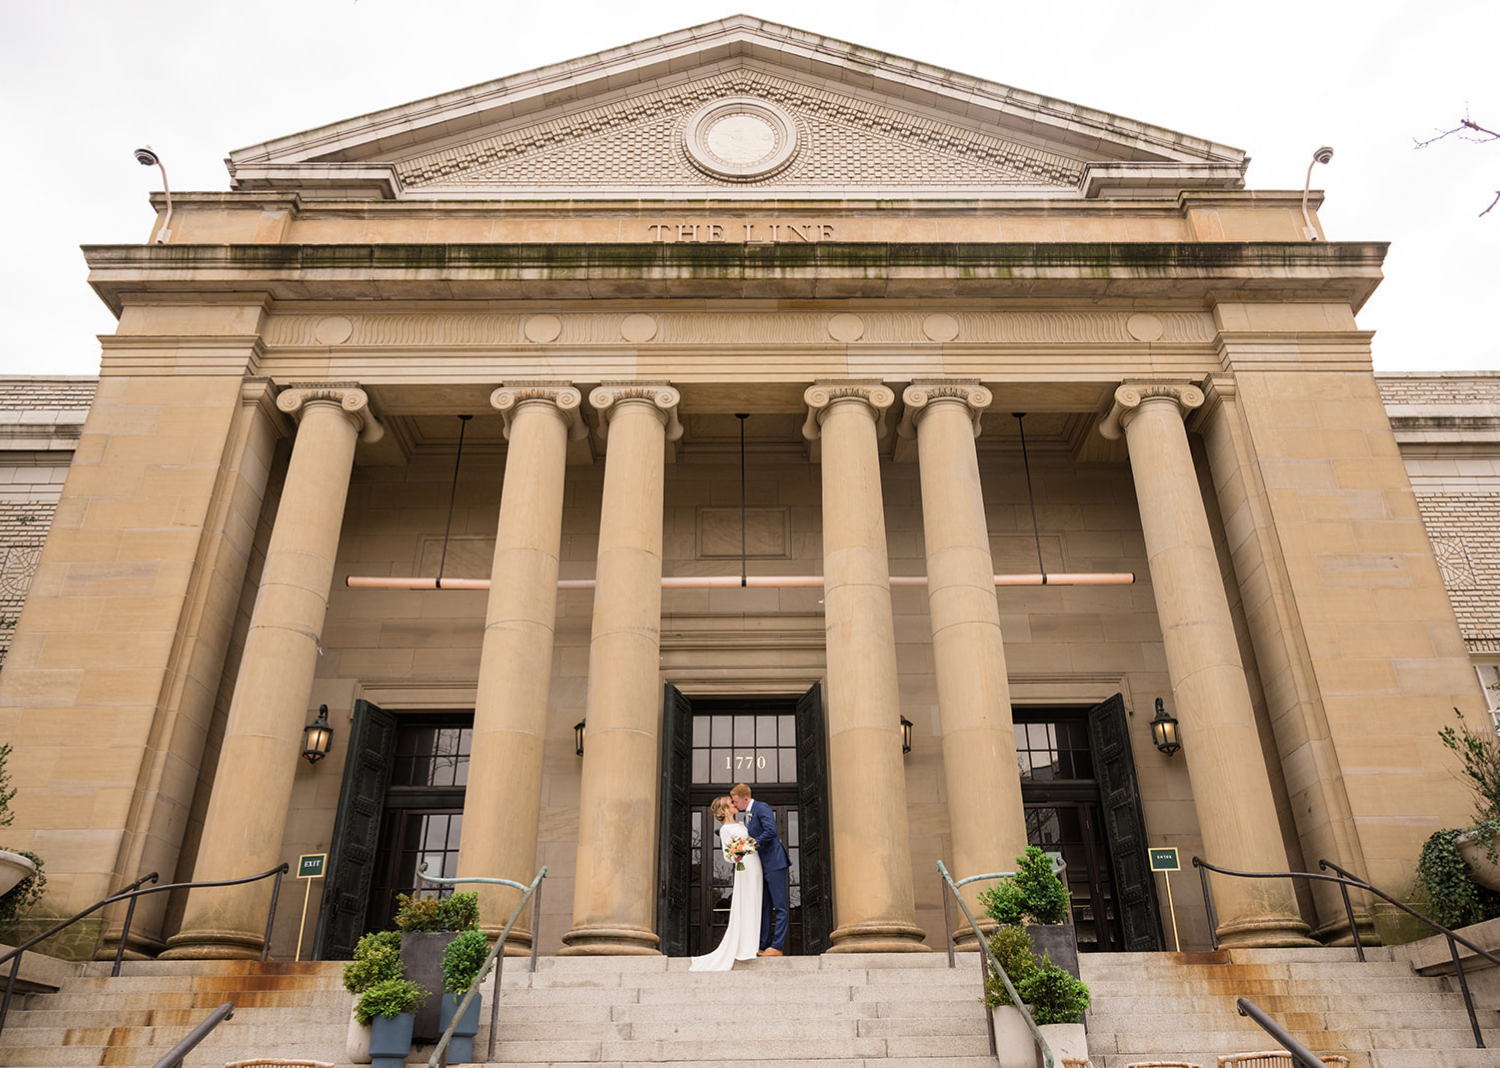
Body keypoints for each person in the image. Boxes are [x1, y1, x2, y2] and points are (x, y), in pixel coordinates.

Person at [688, 796, 763, 971]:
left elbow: (754, 840)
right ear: (725, 809)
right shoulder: (725, 830)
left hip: (756, 864)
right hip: (744, 868)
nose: (734, 804)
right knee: (747, 904)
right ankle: (747, 947)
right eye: (731, 803)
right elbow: (727, 855)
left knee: (756, 903)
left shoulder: (743, 824)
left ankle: (754, 943)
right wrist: (737, 854)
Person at [731, 782, 789, 956]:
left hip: (775, 863)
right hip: (762, 866)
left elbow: (771, 831)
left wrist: (751, 845)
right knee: (765, 906)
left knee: (780, 906)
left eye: (736, 802)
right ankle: (762, 945)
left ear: (745, 798)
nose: (734, 805)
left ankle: (777, 946)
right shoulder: (746, 816)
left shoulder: (761, 807)